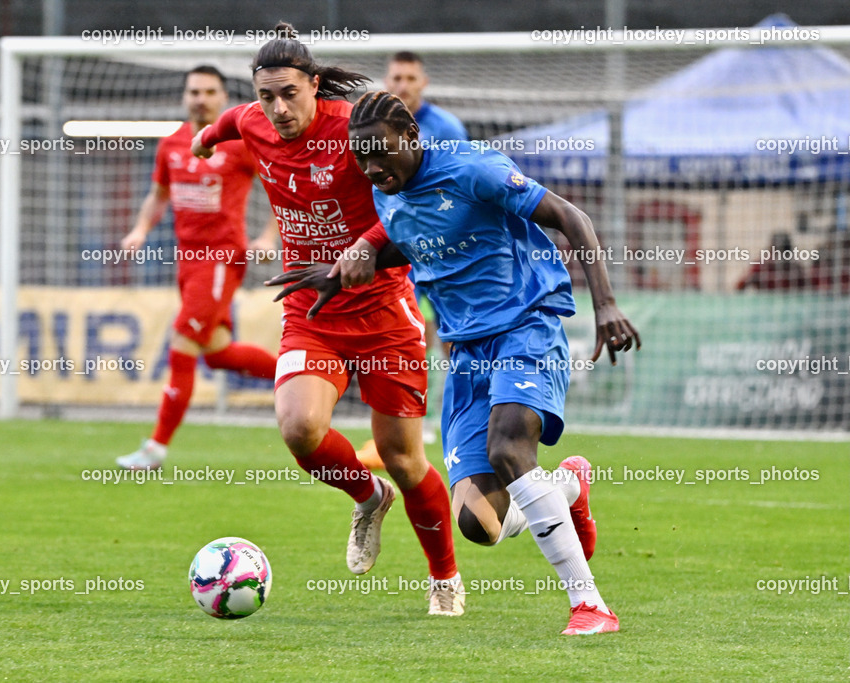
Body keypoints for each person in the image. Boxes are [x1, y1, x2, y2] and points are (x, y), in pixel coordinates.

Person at [274, 91, 641, 635]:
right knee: (479, 524)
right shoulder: (387, 192)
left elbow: (570, 217)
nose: (373, 168)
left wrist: (606, 304)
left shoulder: (474, 169)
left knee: (508, 449)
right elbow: (416, 241)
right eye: (363, 159)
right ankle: (567, 488)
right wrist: (355, 261)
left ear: (413, 140)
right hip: (466, 353)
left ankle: (590, 605)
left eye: (383, 154)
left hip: (525, 326)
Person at [191, 24, 464, 616]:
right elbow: (231, 122)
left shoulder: (355, 131)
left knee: (404, 456)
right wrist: (204, 141)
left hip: (385, 312)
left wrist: (364, 246)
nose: (279, 108)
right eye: (268, 96)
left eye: (290, 93)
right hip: (311, 313)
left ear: (315, 85)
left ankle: (444, 575)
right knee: (298, 427)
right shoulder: (254, 120)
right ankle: (368, 497)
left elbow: (410, 204)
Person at [116, 65, 278, 471]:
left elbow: (280, 188)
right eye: (194, 91)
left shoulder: (240, 144)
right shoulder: (171, 144)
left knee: (182, 345)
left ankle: (155, 448)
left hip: (222, 259)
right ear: (185, 97)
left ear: (223, 98)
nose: (201, 98)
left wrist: (266, 238)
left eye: (209, 91)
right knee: (218, 353)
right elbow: (158, 196)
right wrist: (138, 230)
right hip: (187, 262)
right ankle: (303, 375)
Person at [354, 52, 470, 457]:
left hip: (442, 253)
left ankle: (452, 418)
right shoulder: (370, 132)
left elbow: (460, 188)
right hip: (400, 248)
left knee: (451, 341)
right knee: (410, 337)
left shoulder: (447, 128)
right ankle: (412, 426)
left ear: (424, 83)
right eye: (395, 78)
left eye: (409, 78)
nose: (402, 85)